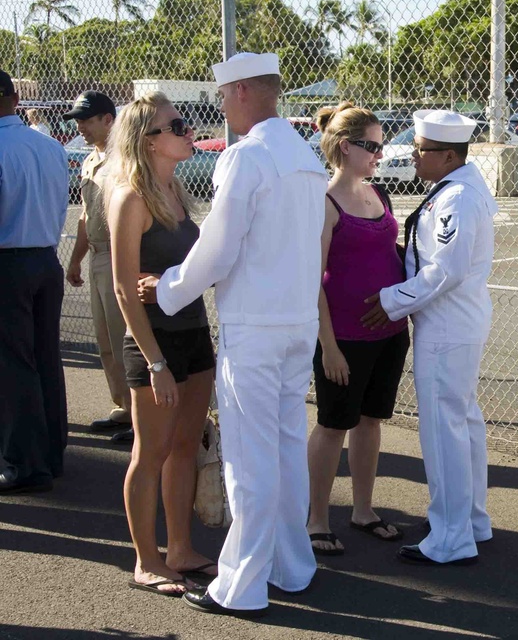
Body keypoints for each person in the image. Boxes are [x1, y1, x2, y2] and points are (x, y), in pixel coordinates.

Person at [137, 52, 328, 617]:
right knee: (288, 447)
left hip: (256, 327)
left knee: (249, 459)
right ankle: (293, 566)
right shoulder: (305, 155)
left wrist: (167, 288)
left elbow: (216, 251)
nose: (220, 107)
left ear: (242, 91)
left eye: (222, 96)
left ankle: (240, 586)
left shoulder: (247, 159)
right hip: (297, 323)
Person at [361, 109, 497, 566]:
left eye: (422, 150)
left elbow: (448, 269)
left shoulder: (457, 197)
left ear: (448, 155)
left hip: (447, 324)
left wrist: (391, 298)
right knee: (463, 423)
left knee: (444, 431)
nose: (414, 156)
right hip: (456, 321)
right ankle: (469, 519)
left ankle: (450, 535)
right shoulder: (456, 188)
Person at [104, 92, 218, 597]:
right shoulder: (131, 197)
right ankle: (146, 561)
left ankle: (180, 549)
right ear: (149, 141)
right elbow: (125, 289)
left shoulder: (176, 191)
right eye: (179, 125)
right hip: (156, 344)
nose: (189, 130)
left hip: (194, 336)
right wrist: (154, 363)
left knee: (184, 447)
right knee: (148, 453)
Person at [305, 103, 408, 557]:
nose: (380, 155)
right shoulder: (324, 202)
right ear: (346, 148)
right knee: (333, 425)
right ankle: (316, 519)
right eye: (373, 146)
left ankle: (363, 510)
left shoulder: (378, 194)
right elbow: (313, 278)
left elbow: (386, 249)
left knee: (370, 421)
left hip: (388, 334)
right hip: (343, 338)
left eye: (382, 147)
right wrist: (328, 346)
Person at [0, 69, 68, 496]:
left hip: (8, 262)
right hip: (45, 257)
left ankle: (23, 464)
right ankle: (50, 454)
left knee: (12, 365)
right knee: (45, 357)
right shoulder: (48, 145)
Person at [62, 91, 135, 444]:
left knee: (127, 336)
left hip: (119, 254)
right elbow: (86, 214)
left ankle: (142, 414)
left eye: (87, 120)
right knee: (105, 338)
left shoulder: (126, 159)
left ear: (109, 119)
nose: (81, 127)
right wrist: (76, 258)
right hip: (96, 254)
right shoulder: (92, 159)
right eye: (78, 120)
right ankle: (123, 404)